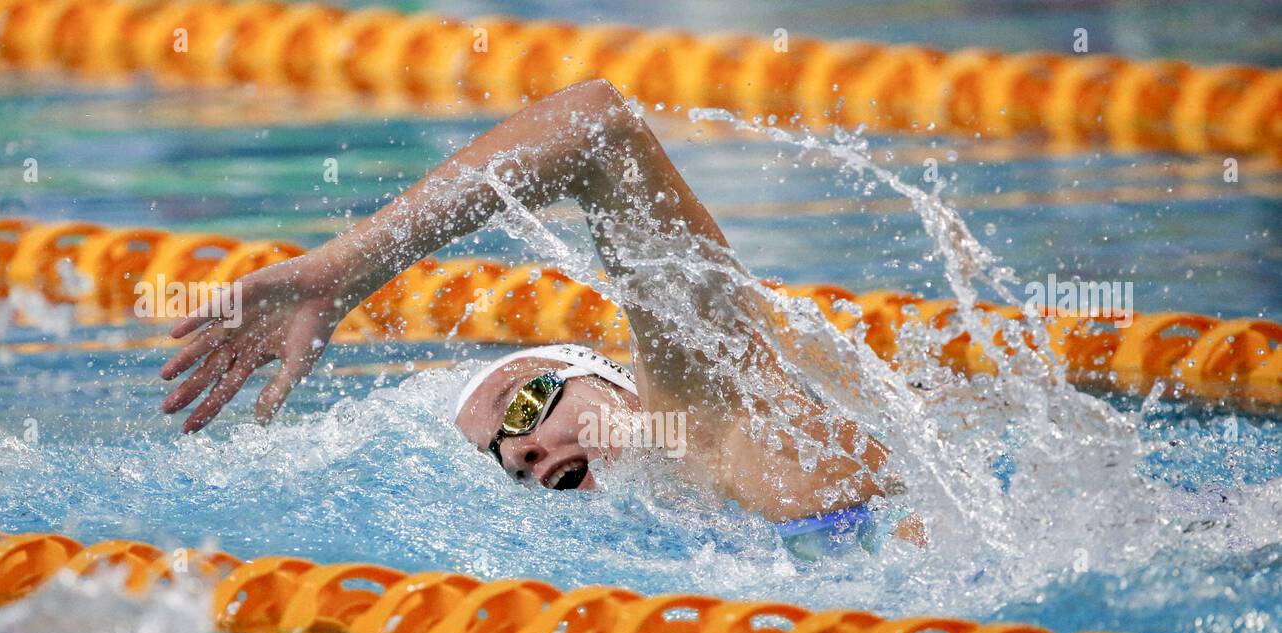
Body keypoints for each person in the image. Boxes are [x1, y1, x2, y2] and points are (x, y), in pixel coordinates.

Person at [159, 80, 923, 552]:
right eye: (503, 460)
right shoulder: (670, 536)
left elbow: (597, 129)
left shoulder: (711, 414)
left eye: (523, 405)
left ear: (611, 382)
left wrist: (343, 271)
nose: (521, 451)